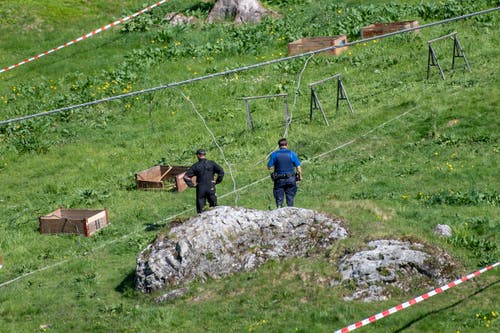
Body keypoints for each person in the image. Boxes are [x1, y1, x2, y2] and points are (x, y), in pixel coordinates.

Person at [183, 149, 225, 214]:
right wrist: (217, 181)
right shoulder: (211, 163)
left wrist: (192, 185)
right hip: (210, 186)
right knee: (214, 206)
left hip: (200, 188)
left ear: (198, 155)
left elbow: (186, 177)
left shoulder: (196, 166)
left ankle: (201, 221)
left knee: (201, 209)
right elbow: (221, 171)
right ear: (204, 155)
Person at [267, 138, 302, 208]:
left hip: (279, 179)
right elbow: (298, 167)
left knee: (279, 199)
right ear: (287, 145)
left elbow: (269, 167)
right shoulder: (292, 154)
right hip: (291, 178)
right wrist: (300, 176)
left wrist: (277, 165)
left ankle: (279, 211)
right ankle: (290, 212)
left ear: (279, 146)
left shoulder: (274, 154)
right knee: (290, 198)